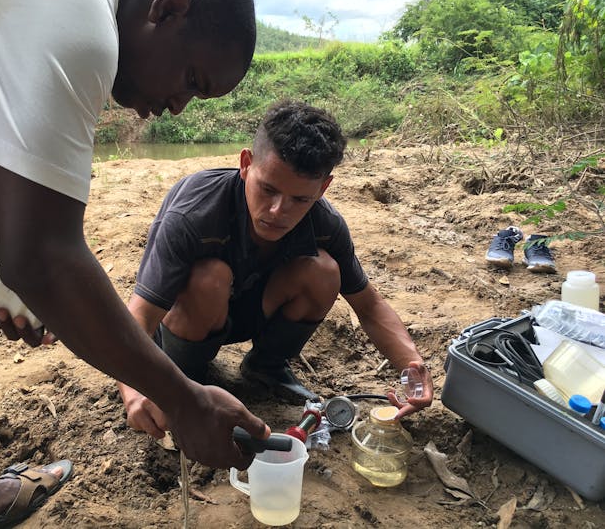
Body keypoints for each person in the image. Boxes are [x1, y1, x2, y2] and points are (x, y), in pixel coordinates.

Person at [0, 0, 269, 527]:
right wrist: (186, 400)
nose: (178, 107)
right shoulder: (77, 27)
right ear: (166, 11)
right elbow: (47, 259)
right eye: (192, 80)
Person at [116, 101, 434, 440]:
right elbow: (140, 318)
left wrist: (411, 369)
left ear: (323, 188)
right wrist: (135, 393)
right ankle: (189, 377)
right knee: (209, 278)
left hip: (253, 309)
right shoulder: (194, 213)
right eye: (267, 189)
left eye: (300, 199)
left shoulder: (326, 222)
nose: (278, 211)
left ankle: (265, 367)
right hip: (189, 320)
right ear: (245, 164)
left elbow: (369, 305)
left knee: (325, 271)